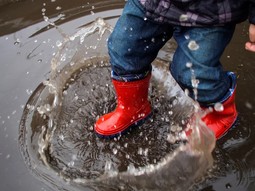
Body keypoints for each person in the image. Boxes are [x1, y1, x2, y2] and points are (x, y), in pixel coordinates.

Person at [94, 0, 255, 139]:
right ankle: (132, 108)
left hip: (211, 14)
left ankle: (220, 115)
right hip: (153, 4)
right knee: (123, 48)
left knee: (193, 73)